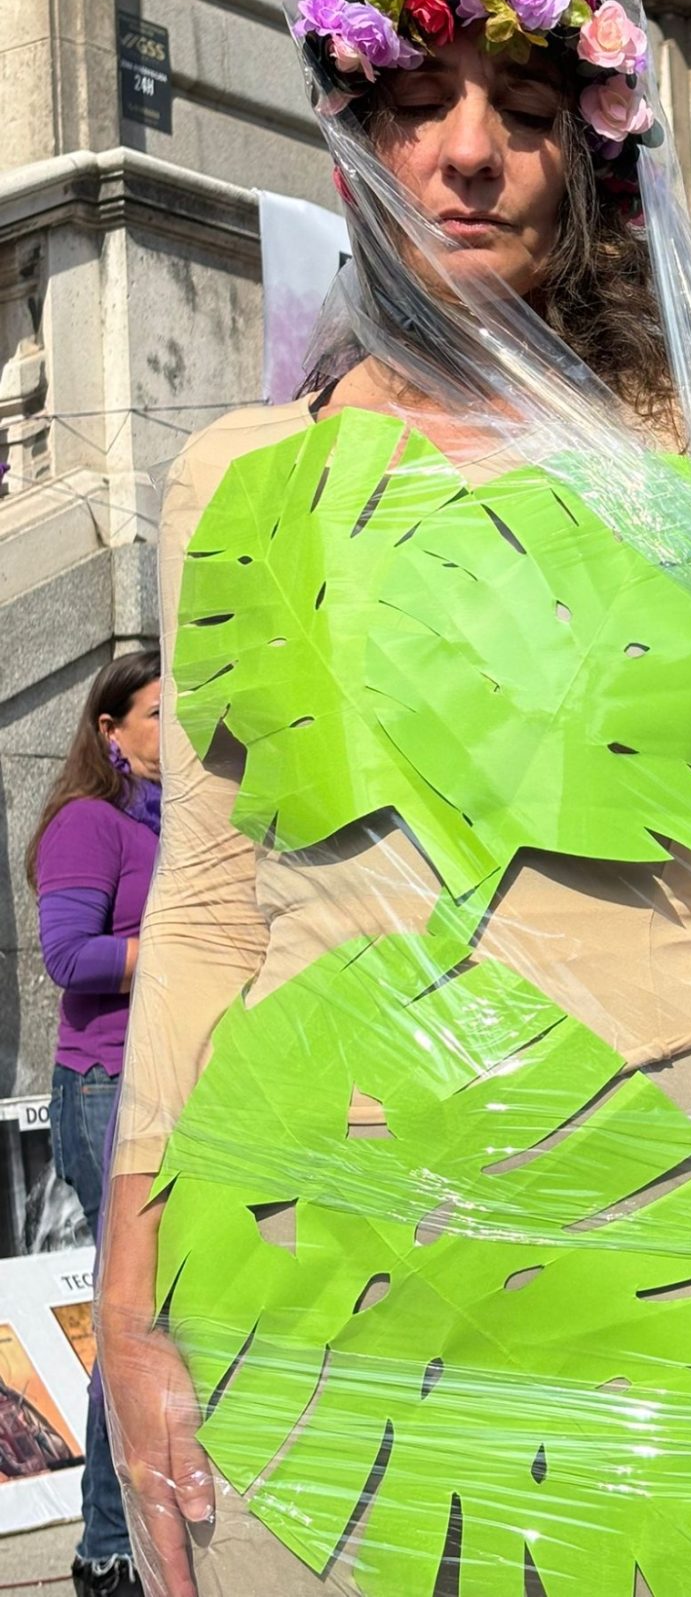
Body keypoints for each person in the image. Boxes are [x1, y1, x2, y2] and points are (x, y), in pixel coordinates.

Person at [96, 0, 691, 1597]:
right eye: (416, 110)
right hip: (297, 1227)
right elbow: (205, 903)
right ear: (352, 153)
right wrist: (131, 1310)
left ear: (586, 157)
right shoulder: (237, 476)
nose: (469, 156)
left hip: (659, 1190)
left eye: (524, 115)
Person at [27, 650, 161, 1597]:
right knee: (131, 1315)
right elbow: (68, 956)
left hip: (166, 1086)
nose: (176, 728)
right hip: (106, 1088)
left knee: (159, 1315)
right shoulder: (88, 821)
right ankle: (107, 1551)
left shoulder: (178, 822)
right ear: (109, 730)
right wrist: (182, 949)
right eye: (157, 713)